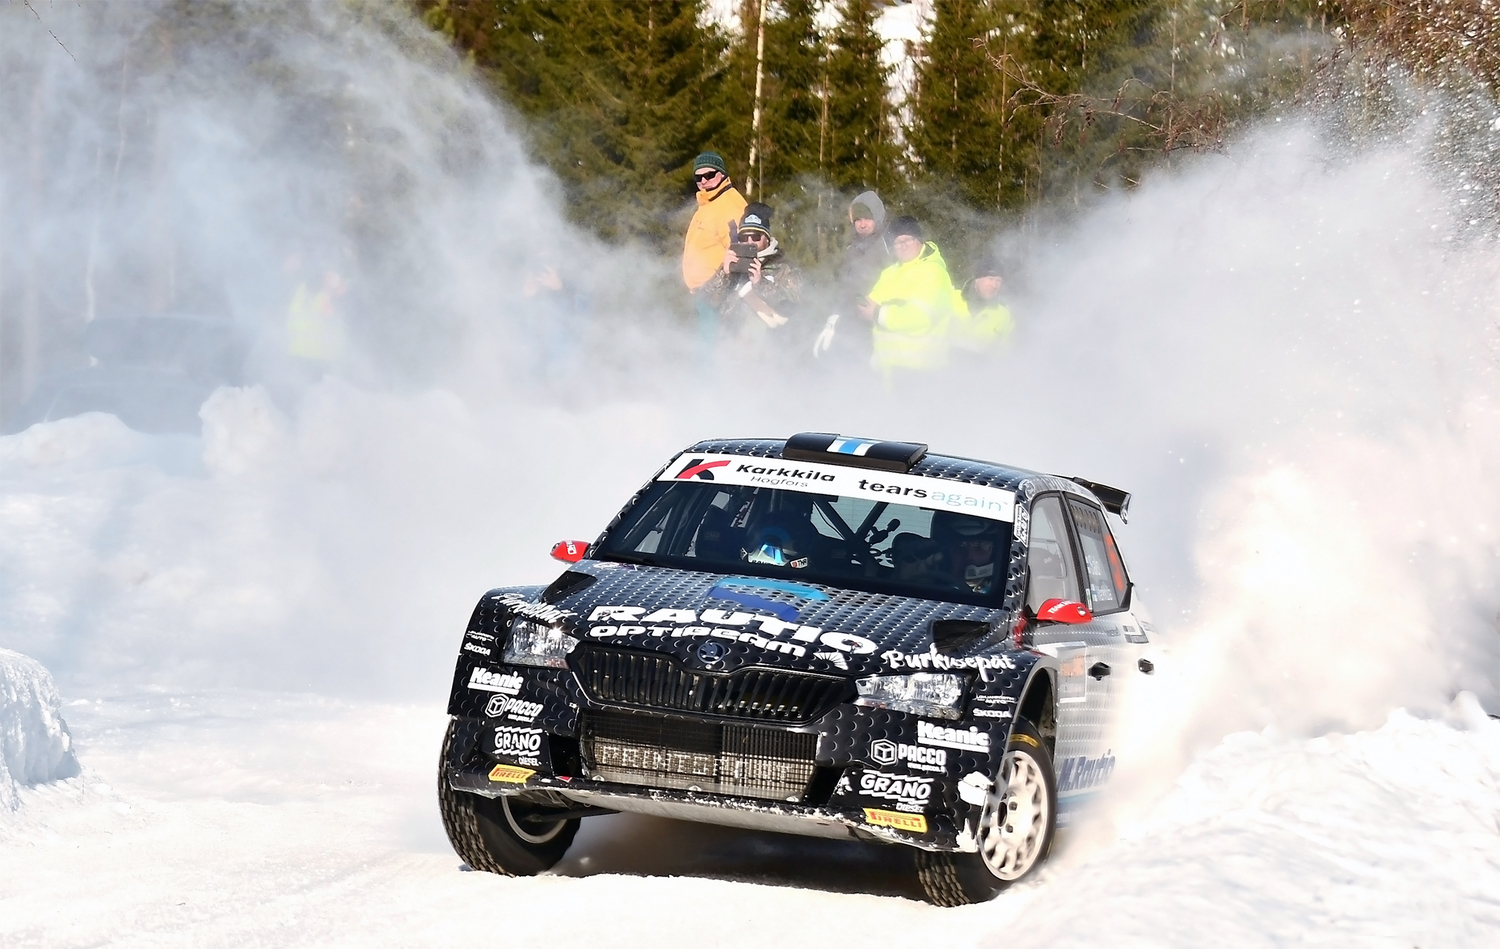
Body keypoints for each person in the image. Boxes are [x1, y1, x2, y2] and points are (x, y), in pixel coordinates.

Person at [858, 216, 965, 383]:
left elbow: (921, 317)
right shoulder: (890, 273)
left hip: (922, 373)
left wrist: (878, 313)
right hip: (889, 371)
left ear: (919, 241)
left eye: (908, 239)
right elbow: (870, 304)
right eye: (897, 242)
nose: (903, 245)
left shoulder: (933, 272)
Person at [702, 203, 802, 348]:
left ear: (767, 238)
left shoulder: (784, 267)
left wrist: (760, 283)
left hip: (766, 352)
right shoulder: (734, 265)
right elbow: (707, 301)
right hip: (727, 349)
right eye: (744, 237)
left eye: (756, 236)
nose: (749, 242)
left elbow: (792, 304)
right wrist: (724, 274)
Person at [681, 151, 748, 351]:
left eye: (709, 175)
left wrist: (725, 291)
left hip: (720, 296)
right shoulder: (710, 203)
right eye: (698, 177)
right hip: (705, 294)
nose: (703, 181)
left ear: (722, 174)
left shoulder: (730, 205)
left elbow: (742, 254)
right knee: (704, 349)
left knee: (711, 353)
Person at [813, 191, 888, 361]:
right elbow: (846, 287)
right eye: (858, 220)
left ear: (877, 218)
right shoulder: (852, 248)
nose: (862, 225)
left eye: (867, 218)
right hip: (851, 324)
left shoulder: (887, 246)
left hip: (876, 324)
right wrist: (835, 318)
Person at [955, 250, 1014, 358]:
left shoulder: (1004, 315)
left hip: (982, 368)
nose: (994, 285)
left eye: (998, 281)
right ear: (977, 279)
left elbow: (1004, 355)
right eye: (990, 279)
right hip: (946, 366)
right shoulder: (953, 300)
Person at [932, 512, 1003, 595]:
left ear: (994, 554)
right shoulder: (931, 587)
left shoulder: (1002, 594)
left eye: (980, 547)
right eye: (960, 546)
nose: (970, 556)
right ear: (946, 553)